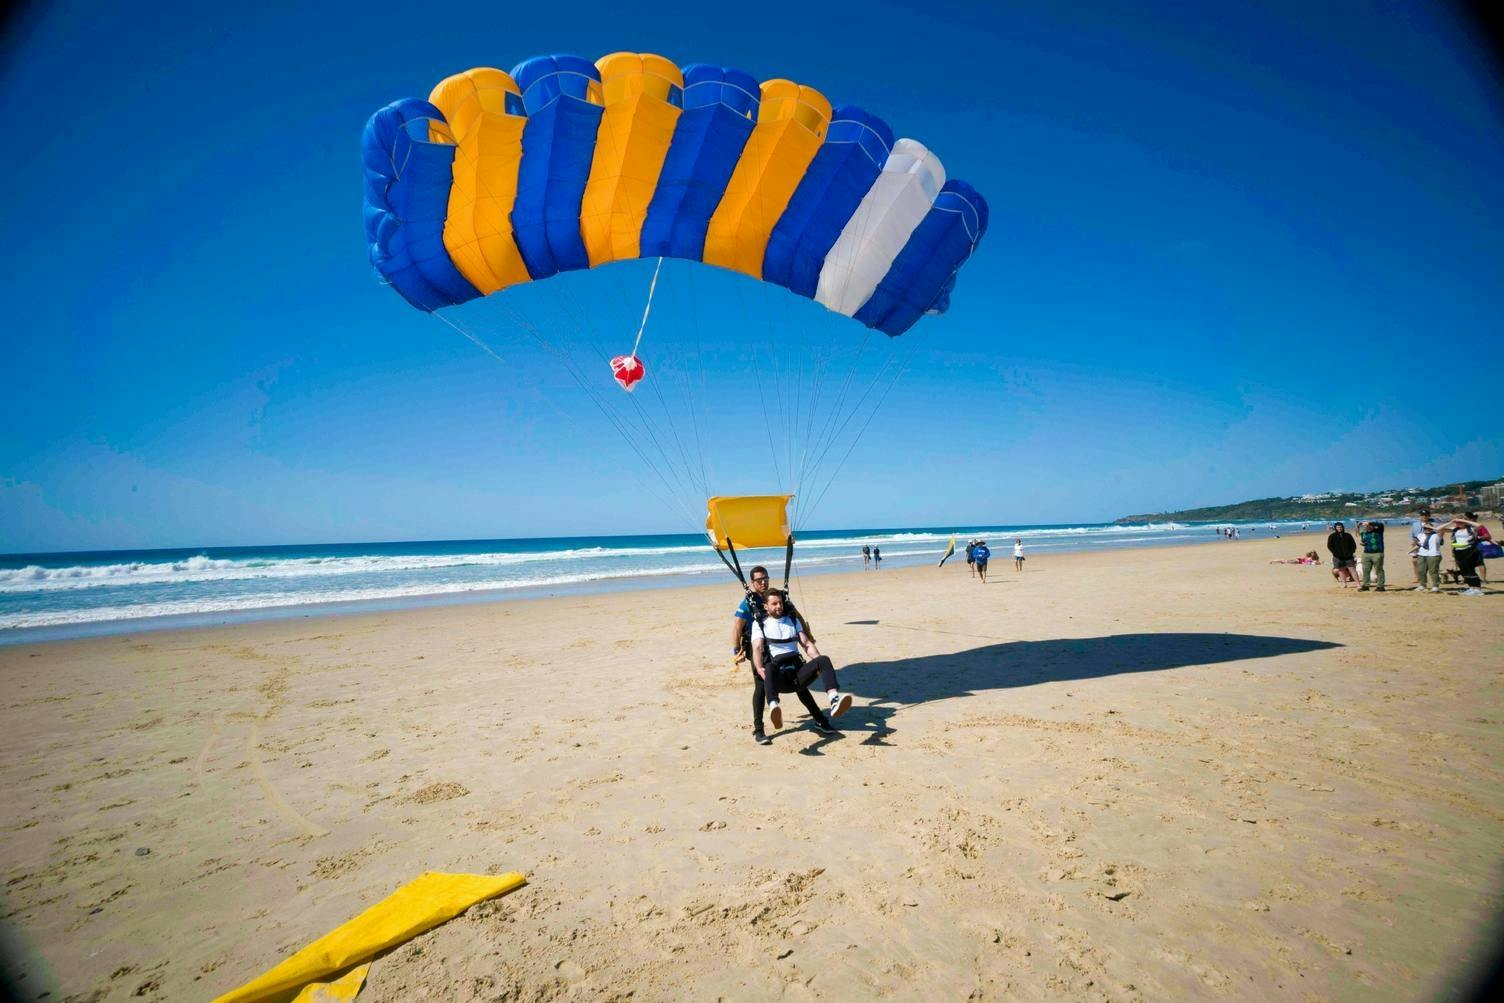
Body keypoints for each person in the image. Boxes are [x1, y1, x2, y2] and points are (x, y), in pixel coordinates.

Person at [752, 590, 850, 732]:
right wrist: (758, 667)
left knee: (823, 660)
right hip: (779, 676)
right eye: (774, 604)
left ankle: (834, 700)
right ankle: (774, 707)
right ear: (766, 606)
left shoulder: (792, 620)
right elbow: (757, 647)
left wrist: (819, 663)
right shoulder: (760, 624)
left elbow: (806, 644)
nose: (779, 606)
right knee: (768, 667)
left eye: (780, 603)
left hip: (798, 673)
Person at [1445, 513, 1487, 595]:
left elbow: (1480, 525)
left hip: (1469, 551)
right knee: (1464, 571)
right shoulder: (1455, 529)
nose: (1458, 523)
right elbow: (1439, 529)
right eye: (1457, 522)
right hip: (1458, 551)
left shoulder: (1471, 529)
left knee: (1470, 570)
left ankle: (1477, 589)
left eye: (1459, 522)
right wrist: (1451, 522)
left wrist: (1463, 520)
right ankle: (1471, 587)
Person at [1412, 523, 1443, 593]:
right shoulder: (1420, 535)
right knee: (1421, 571)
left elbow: (1441, 529)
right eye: (1425, 528)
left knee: (1433, 571)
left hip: (1433, 555)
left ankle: (1435, 586)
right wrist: (1413, 552)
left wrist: (1431, 527)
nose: (1427, 529)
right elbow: (1419, 545)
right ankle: (1422, 585)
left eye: (1428, 528)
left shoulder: (1437, 535)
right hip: (1421, 554)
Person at [1358, 519, 1386, 591]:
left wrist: (1370, 522)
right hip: (1366, 553)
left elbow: (1381, 525)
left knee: (1379, 570)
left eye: (1368, 526)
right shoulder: (1363, 533)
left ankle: (1380, 586)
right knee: (1365, 570)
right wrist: (1362, 543)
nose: (1366, 527)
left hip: (1377, 553)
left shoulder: (1378, 531)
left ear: (1372, 526)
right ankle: (1365, 586)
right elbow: (1363, 541)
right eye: (1365, 526)